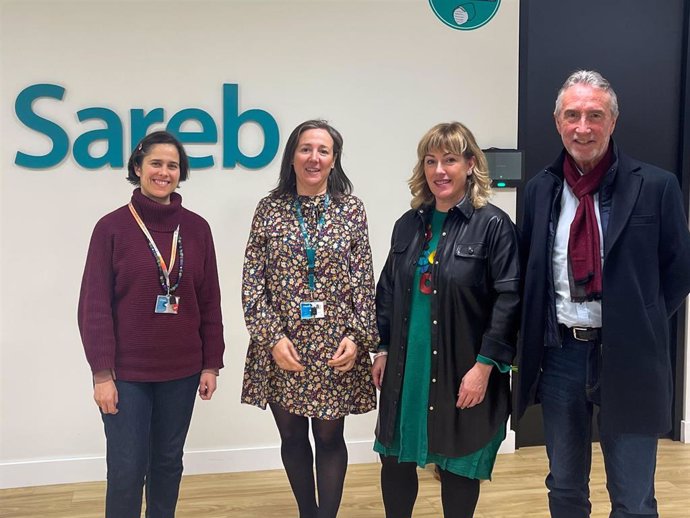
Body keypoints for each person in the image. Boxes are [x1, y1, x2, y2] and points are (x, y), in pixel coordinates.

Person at [516, 70, 690, 518]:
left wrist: (641, 318)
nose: (583, 127)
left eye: (595, 115)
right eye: (572, 115)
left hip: (630, 357)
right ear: (557, 122)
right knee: (565, 487)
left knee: (634, 496)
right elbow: (530, 273)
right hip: (560, 358)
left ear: (613, 122)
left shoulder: (657, 185)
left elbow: (678, 270)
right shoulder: (539, 191)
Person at [372, 122, 520, 517]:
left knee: (457, 465)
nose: (439, 170)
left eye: (450, 160)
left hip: (462, 368)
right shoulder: (408, 224)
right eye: (431, 161)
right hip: (408, 365)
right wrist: (383, 348)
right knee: (396, 459)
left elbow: (509, 300)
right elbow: (387, 290)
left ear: (470, 165)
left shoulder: (493, 226)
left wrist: (485, 366)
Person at [78, 130, 225, 518]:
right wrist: (101, 375)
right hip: (126, 375)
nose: (164, 172)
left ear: (182, 173)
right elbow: (94, 306)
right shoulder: (110, 228)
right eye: (156, 163)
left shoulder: (197, 229)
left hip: (183, 371)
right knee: (127, 470)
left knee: (167, 464)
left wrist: (211, 363)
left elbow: (209, 300)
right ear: (138, 167)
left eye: (172, 165)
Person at [241, 120, 378, 518]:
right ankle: (307, 511)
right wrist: (271, 338)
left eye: (322, 150)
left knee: (329, 436)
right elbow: (253, 282)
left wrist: (357, 338)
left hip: (337, 348)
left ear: (334, 160)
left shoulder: (351, 210)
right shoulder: (269, 208)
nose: (313, 158)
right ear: (292, 156)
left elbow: (363, 278)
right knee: (293, 436)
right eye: (305, 149)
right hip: (284, 345)